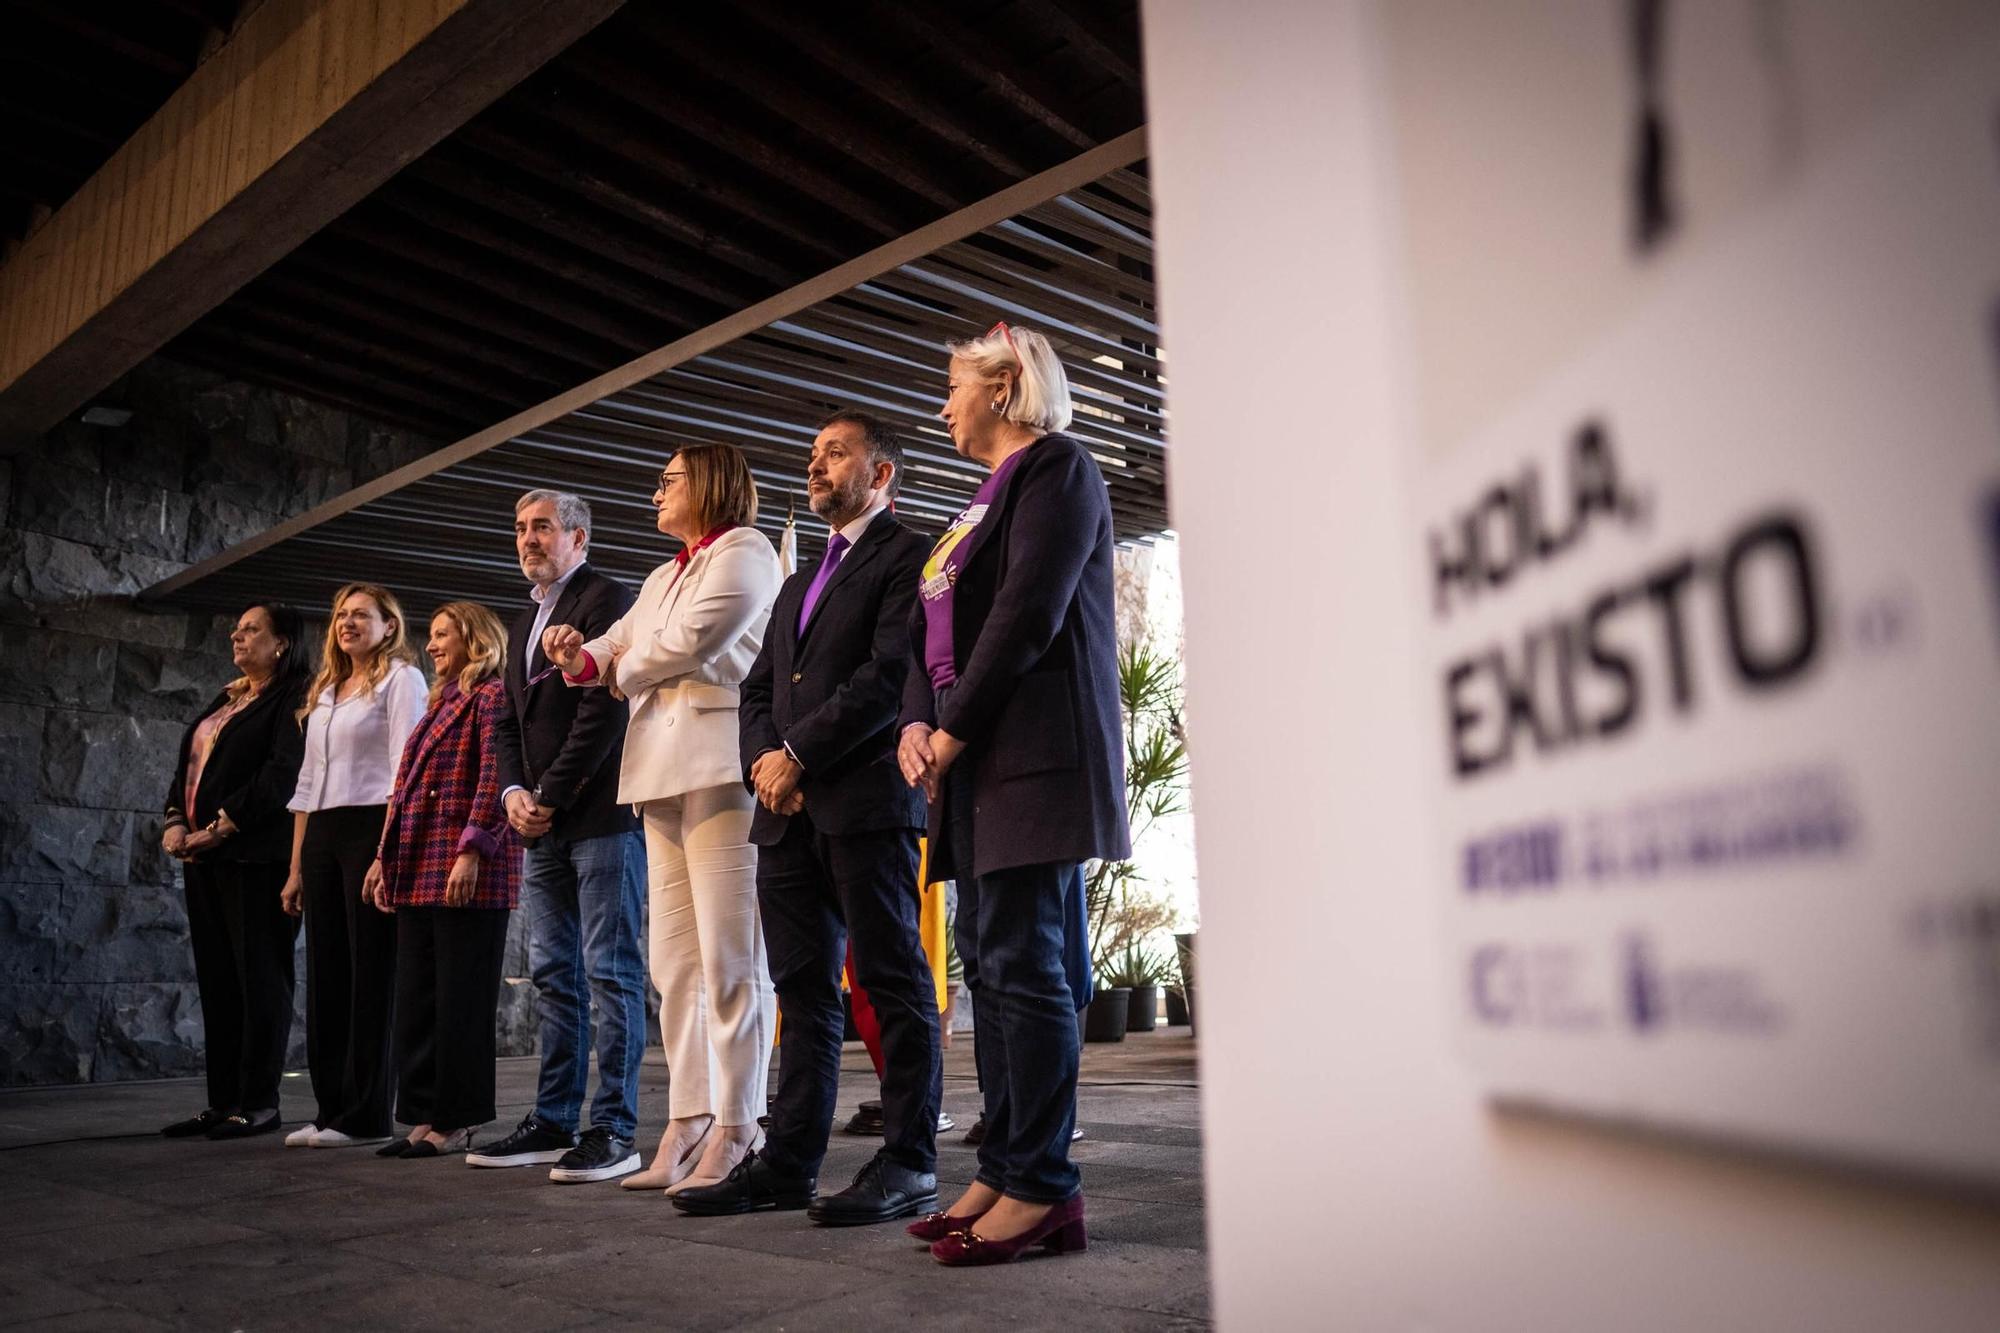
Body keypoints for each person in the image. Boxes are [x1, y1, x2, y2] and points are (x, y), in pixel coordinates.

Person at [897, 322, 1130, 1265]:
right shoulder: (972, 505)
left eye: (953, 386)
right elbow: (931, 628)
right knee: (991, 969)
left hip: (1030, 752)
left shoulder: (1058, 470)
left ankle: (1043, 1188)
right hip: (969, 759)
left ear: (1004, 387)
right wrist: (916, 719)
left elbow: (1028, 609)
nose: (942, 404)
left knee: (1027, 966)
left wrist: (950, 727)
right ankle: (1002, 1166)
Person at [673, 410, 938, 1223]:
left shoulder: (907, 558)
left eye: (835, 452)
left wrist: (801, 757)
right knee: (803, 993)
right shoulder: (798, 580)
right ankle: (789, 1164)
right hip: (784, 815)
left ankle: (910, 1160)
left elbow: (888, 672)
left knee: (891, 981)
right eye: (813, 451)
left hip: (863, 804)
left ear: (880, 473)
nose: (816, 463)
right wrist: (763, 762)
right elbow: (757, 690)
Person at [542, 443, 782, 1194]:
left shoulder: (747, 552)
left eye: (668, 481)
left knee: (731, 957)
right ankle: (690, 1114)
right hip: (658, 773)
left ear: (709, 483)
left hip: (718, 769)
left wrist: (618, 664)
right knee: (673, 963)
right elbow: (614, 647)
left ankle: (742, 1121)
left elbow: (691, 642)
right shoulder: (662, 573)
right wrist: (578, 654)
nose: (654, 493)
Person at [470, 490, 647, 1183]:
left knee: (609, 971)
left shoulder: (607, 598)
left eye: (541, 526)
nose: (528, 538)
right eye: (519, 528)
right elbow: (508, 722)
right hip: (539, 827)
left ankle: (613, 1128)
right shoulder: (523, 620)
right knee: (553, 975)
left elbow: (602, 714)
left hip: (600, 818)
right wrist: (514, 792)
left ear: (578, 535)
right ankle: (551, 1119)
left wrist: (546, 794)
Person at [365, 602, 518, 1159]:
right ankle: (426, 1112)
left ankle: (458, 1118)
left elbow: (495, 776)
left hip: (463, 867)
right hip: (419, 867)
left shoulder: (492, 695)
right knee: (420, 998)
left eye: (441, 635)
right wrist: (384, 859)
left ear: (474, 640)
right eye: (429, 635)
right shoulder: (437, 705)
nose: (430, 646)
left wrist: (474, 848)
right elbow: (402, 792)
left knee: (461, 1000)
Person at [282, 584, 429, 1149]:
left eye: (361, 615)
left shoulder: (401, 681)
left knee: (371, 972)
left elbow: (404, 773)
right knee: (327, 973)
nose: (347, 623)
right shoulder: (325, 689)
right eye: (341, 614)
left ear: (388, 626)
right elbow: (305, 786)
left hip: (372, 825)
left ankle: (366, 1113)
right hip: (321, 831)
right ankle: (331, 1109)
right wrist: (295, 868)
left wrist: (386, 853)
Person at [159, 603, 313, 1140]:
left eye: (252, 630)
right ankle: (222, 1101)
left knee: (260, 979)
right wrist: (176, 820)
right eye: (237, 629)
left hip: (254, 856)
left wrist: (224, 825)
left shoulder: (294, 696)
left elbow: (282, 774)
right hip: (206, 857)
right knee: (219, 980)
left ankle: (259, 1102)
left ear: (282, 644)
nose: (237, 636)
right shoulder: (229, 696)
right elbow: (188, 768)